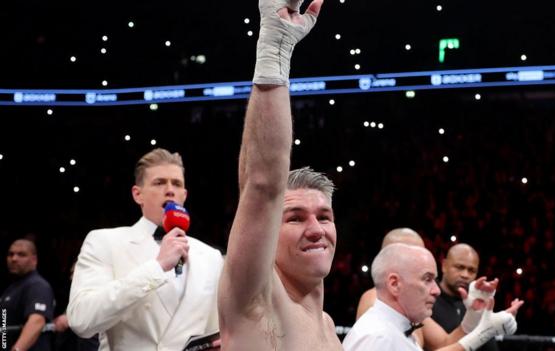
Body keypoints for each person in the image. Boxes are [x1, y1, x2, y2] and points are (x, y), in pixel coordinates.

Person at [216, 0, 342, 348]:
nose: (316, 230)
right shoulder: (257, 302)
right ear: (270, 230)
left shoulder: (329, 329)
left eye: (324, 216)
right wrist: (275, 50)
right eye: (295, 218)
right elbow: (261, 186)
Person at [67, 148, 224, 350]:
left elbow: (216, 331)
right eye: (159, 182)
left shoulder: (211, 257)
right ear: (137, 194)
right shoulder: (104, 241)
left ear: (184, 195)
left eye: (176, 184)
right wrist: (156, 267)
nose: (170, 190)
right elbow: (81, 319)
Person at [343, 244, 522, 351]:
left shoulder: (396, 328)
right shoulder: (378, 336)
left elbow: (445, 343)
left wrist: (477, 319)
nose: (436, 290)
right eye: (427, 279)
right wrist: (484, 332)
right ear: (394, 284)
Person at [431, 244, 498, 351]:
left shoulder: (477, 304)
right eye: (460, 267)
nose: (465, 275)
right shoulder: (428, 298)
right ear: (444, 266)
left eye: (471, 270)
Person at [355, 228, 425, 319]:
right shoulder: (374, 301)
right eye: (414, 256)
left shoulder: (415, 301)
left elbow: (444, 334)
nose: (422, 261)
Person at [1, 239, 55, 351]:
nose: (14, 259)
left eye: (22, 254)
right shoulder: (14, 286)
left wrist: (17, 349)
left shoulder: (37, 285)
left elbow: (37, 321)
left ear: (34, 259)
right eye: (11, 254)